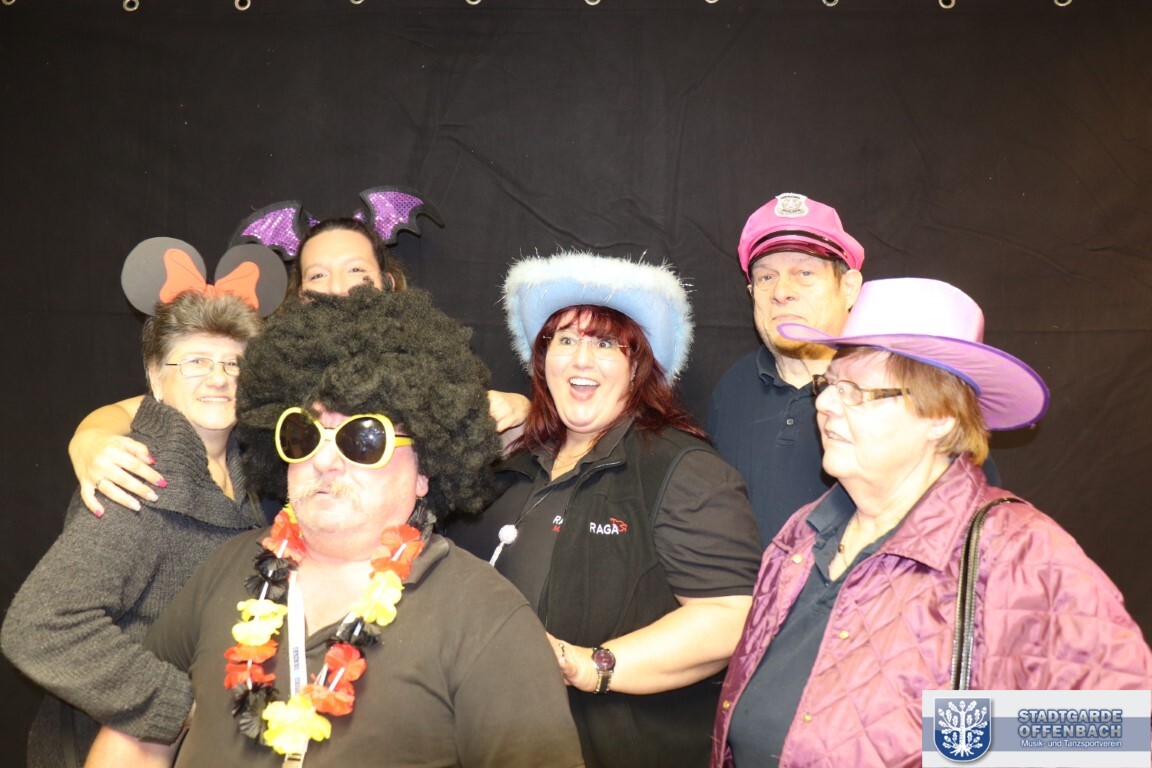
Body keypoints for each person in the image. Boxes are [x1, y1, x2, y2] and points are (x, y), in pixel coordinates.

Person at [85, 286, 584, 768]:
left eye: (362, 438)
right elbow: (136, 743)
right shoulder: (228, 567)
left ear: (427, 468)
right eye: (303, 434)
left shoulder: (488, 618)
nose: (324, 460)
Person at [711, 278, 1152, 768]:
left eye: (856, 391)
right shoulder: (801, 536)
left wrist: (945, 741)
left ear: (940, 416)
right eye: (830, 384)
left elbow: (1122, 731)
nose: (826, 403)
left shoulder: (1021, 554)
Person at [449, 251, 762, 768]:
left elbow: (731, 617)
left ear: (638, 366)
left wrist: (591, 666)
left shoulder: (683, 470)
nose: (580, 360)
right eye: (564, 340)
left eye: (604, 344)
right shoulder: (511, 458)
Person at [68, 215, 530, 516]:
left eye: (356, 271)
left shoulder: (430, 366)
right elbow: (156, 403)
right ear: (301, 295)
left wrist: (521, 410)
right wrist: (90, 439)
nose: (338, 287)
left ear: (387, 284)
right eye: (318, 275)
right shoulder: (274, 371)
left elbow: (493, 442)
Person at [1, 289, 267, 767]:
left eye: (234, 364)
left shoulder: (245, 470)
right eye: (196, 362)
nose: (219, 378)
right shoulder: (139, 477)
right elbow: (41, 626)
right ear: (155, 378)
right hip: (115, 750)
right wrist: (185, 707)